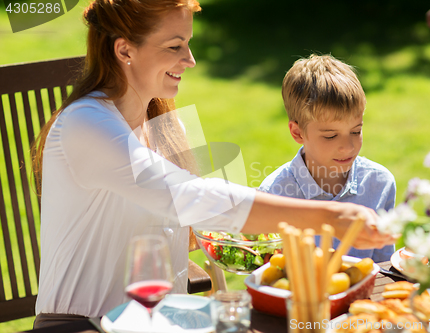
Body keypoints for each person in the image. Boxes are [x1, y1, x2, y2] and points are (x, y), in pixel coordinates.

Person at [31, 0, 395, 328]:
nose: (190, 60)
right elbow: (191, 196)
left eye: (188, 44)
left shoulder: (166, 125)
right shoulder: (85, 124)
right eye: (175, 46)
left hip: (161, 321)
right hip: (81, 324)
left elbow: (199, 224)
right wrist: (328, 216)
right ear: (124, 49)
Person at [259, 54, 396, 262]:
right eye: (330, 136)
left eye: (356, 131)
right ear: (297, 133)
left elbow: (384, 265)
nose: (348, 147)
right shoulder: (273, 195)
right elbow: (269, 274)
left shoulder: (380, 183)